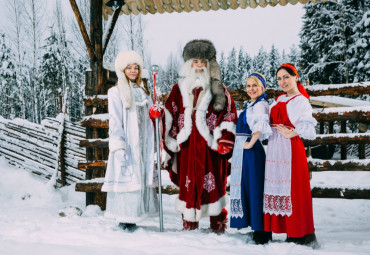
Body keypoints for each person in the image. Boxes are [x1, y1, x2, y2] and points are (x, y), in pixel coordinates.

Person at [161, 39, 237, 233]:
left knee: (214, 184)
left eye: (203, 61)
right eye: (196, 61)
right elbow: (169, 110)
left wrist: (224, 138)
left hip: (210, 146)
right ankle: (189, 222)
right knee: (188, 183)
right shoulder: (178, 89)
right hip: (187, 146)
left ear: (209, 64)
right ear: (189, 64)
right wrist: (161, 117)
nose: (200, 65)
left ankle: (218, 223)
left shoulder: (219, 89)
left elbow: (229, 114)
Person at [101, 51, 158, 231]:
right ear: (122, 70)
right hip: (128, 144)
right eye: (129, 68)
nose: (133, 71)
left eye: (136, 68)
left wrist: (157, 113)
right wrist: (119, 147)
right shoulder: (115, 92)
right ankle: (125, 220)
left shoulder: (143, 92)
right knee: (127, 180)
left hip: (142, 146)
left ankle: (134, 217)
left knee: (139, 179)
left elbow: (150, 119)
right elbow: (115, 121)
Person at [263, 63, 317, 246]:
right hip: (275, 150)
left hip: (291, 150)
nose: (283, 81)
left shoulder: (301, 100)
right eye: (279, 78)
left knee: (294, 191)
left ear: (296, 77)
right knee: (277, 188)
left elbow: (309, 127)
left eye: (286, 77)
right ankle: (285, 229)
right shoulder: (278, 100)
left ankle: (299, 233)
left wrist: (292, 132)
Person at [230, 72, 272, 244]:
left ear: (262, 87)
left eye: (255, 85)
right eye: (248, 86)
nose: (251, 89)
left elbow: (261, 125)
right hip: (244, 152)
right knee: (247, 187)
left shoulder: (260, 105)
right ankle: (256, 227)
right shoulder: (253, 104)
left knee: (255, 188)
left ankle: (261, 231)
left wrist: (250, 142)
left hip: (251, 152)